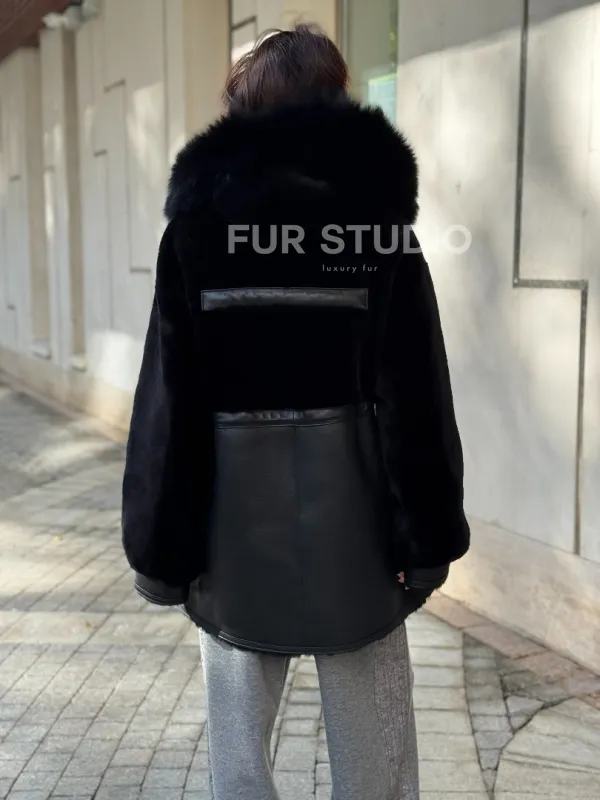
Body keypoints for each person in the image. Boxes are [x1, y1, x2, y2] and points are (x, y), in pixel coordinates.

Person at [121, 24, 470, 800]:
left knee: (238, 752)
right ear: (336, 101)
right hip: (361, 525)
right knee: (375, 751)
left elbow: (170, 403)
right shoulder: (378, 231)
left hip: (229, 528)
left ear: (242, 108)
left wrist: (161, 548)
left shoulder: (196, 232)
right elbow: (415, 392)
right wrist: (427, 536)